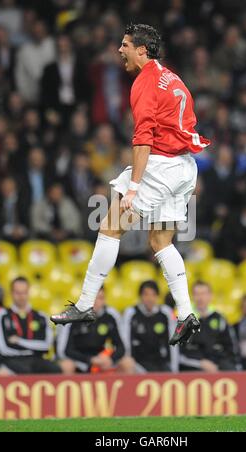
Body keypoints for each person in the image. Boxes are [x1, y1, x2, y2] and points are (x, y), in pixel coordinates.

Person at [51, 23, 210, 346]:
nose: (119, 50)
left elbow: (142, 141)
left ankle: (84, 304)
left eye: (125, 45)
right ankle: (185, 313)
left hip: (160, 167)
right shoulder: (172, 78)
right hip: (183, 168)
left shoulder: (145, 83)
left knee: (110, 227)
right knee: (161, 241)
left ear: (142, 50)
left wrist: (134, 187)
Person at [57, 287, 134, 374]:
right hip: (80, 361)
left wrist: (111, 359)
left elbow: (122, 347)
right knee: (66, 365)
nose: (96, 302)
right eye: (93, 298)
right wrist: (89, 360)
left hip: (102, 360)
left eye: (100, 298)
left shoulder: (110, 315)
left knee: (127, 362)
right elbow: (65, 350)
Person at [0, 277, 61, 375]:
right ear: (11, 293)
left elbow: (46, 345)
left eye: (24, 292)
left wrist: (19, 341)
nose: (21, 296)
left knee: (57, 370)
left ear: (29, 292)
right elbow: (4, 349)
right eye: (18, 293)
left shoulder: (41, 316)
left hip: (36, 360)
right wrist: (32, 348)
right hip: (12, 360)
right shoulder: (2, 315)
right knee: (16, 371)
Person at [179, 281, 240, 372]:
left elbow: (231, 347)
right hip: (193, 366)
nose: (200, 298)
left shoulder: (220, 319)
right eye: (196, 294)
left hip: (218, 363)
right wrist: (200, 363)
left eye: (203, 294)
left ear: (210, 296)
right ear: (192, 297)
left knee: (230, 369)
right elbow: (179, 353)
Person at [123, 281, 178, 372]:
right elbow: (126, 343)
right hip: (138, 365)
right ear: (140, 296)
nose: (150, 298)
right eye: (146, 294)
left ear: (157, 296)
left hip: (161, 363)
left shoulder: (165, 313)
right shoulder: (131, 313)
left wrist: (174, 370)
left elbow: (173, 344)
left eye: (153, 294)